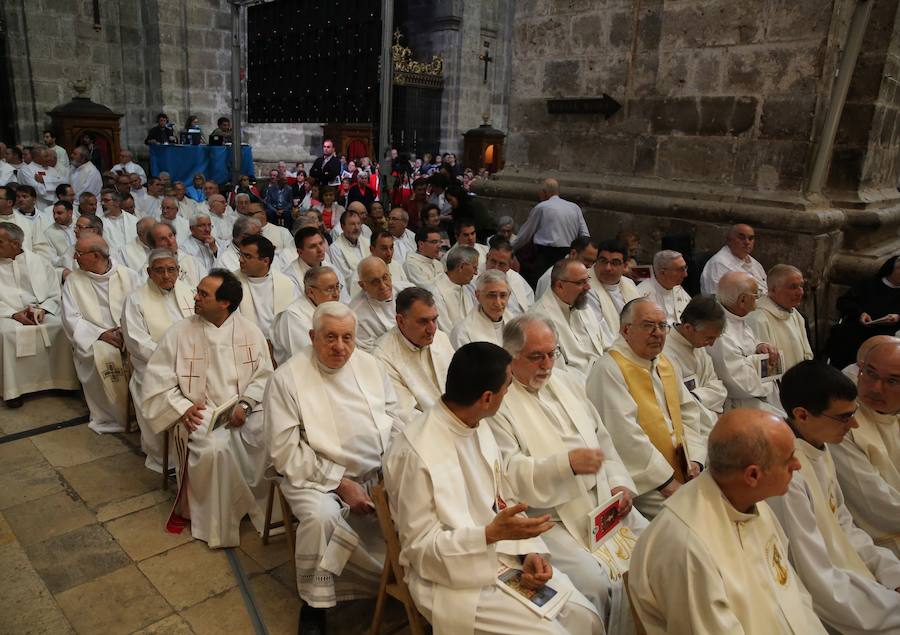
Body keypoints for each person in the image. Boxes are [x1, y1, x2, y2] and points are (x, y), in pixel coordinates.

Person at [384, 342, 601, 635]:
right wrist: (487, 535)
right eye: (507, 387)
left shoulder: (479, 425)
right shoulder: (415, 451)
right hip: (450, 579)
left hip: (503, 552)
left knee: (586, 618)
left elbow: (504, 500)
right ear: (487, 397)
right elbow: (420, 549)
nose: (509, 393)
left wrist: (529, 552)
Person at [489, 314, 647, 629]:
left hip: (604, 501)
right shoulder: (499, 402)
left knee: (656, 548)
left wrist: (618, 483)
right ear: (511, 357)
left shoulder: (567, 381)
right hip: (551, 518)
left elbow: (603, 438)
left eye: (552, 353)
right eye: (536, 356)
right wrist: (567, 465)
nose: (547, 364)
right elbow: (507, 472)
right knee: (598, 583)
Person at [264, 302, 401, 632]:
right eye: (330, 337)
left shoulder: (370, 365)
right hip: (314, 475)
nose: (340, 347)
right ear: (312, 336)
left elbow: (394, 418)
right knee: (321, 518)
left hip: (375, 470)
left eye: (348, 338)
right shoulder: (286, 379)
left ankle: (399, 578)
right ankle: (315, 605)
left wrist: (396, 466)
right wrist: (340, 483)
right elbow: (284, 450)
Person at [628, 409, 826, 634]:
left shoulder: (751, 500)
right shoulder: (687, 546)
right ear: (752, 476)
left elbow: (792, 595)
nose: (798, 465)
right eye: (788, 460)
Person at [141, 269, 274, 547]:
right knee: (216, 448)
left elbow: (264, 375)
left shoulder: (250, 331)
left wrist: (247, 404)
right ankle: (219, 519)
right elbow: (157, 380)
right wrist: (182, 408)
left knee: (268, 437)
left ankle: (253, 508)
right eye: (198, 291)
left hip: (243, 409)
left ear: (224, 303)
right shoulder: (179, 332)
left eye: (203, 294)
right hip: (199, 412)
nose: (195, 297)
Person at [768, 361, 900, 634]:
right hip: (829, 606)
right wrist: (889, 607)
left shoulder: (819, 446)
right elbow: (814, 578)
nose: (853, 424)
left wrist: (891, 573)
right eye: (843, 417)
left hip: (854, 583)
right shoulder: (786, 475)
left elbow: (844, 526)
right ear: (802, 415)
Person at [586, 298, 707, 517]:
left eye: (662, 326)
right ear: (625, 330)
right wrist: (666, 481)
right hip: (643, 479)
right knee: (692, 518)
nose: (658, 333)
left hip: (682, 466)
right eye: (648, 325)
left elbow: (688, 412)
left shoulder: (664, 362)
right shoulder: (610, 368)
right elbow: (624, 436)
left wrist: (695, 460)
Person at [121, 249, 194, 472]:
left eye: (171, 269)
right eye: (159, 270)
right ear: (149, 272)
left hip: (191, 363)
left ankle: (195, 453)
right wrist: (171, 359)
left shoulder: (189, 291)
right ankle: (165, 459)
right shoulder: (135, 300)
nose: (166, 276)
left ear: (178, 271)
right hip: (154, 368)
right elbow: (136, 341)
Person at [62, 235, 140, 433]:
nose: (75, 257)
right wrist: (101, 334)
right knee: (105, 356)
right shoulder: (74, 280)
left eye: (79, 254)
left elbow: (140, 307)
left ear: (95, 255)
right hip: (94, 338)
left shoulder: (128, 275)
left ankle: (139, 413)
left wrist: (126, 330)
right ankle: (113, 416)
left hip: (127, 332)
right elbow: (71, 318)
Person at [831, 339, 900, 557]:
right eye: (870, 373)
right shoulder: (843, 423)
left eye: (892, 381)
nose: (876, 388)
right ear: (859, 370)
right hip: (878, 545)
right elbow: (875, 506)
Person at [0, 222, 78, 408]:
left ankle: (62, 382)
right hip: (5, 314)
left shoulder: (39, 262)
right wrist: (13, 314)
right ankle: (13, 390)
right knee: (7, 334)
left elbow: (54, 293)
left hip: (39, 309)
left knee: (60, 328)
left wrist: (43, 308)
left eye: (0, 241)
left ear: (15, 244)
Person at [373, 286, 454, 421]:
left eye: (434, 319)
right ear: (401, 321)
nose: (432, 330)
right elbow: (406, 415)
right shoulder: (382, 357)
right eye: (423, 321)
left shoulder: (440, 337)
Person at [709, 271, 783, 413]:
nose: (759, 298)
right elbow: (741, 385)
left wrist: (760, 346)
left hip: (761, 395)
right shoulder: (721, 333)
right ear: (742, 301)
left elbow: (748, 344)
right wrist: (767, 371)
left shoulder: (737, 317)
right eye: (756, 295)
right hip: (742, 404)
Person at [529, 258, 606, 377]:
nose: (588, 287)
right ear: (560, 285)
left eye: (587, 281)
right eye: (580, 283)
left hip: (601, 374)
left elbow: (604, 345)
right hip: (576, 384)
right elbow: (556, 372)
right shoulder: (538, 320)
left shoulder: (584, 305)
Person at [663, 296, 729, 435]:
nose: (711, 344)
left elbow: (718, 388)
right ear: (688, 328)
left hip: (708, 420)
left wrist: (696, 397)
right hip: (686, 429)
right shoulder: (664, 353)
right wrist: (713, 417)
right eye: (709, 338)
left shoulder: (698, 345)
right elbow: (679, 404)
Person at [512, 178, 590, 287]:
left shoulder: (542, 207)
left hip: (545, 255)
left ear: (544, 192)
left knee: (541, 285)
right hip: (568, 254)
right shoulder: (574, 208)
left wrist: (510, 248)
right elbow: (585, 235)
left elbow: (525, 234)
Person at [826, 255, 900, 369]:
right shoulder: (869, 284)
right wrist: (860, 313)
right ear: (891, 268)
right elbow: (843, 302)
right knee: (843, 336)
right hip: (857, 327)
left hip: (885, 334)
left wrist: (897, 317)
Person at [747, 264, 813, 372]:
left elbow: (807, 354)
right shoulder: (758, 319)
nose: (800, 292)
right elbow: (765, 367)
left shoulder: (796, 314)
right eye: (793, 287)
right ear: (773, 289)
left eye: (801, 286)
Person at [270, 265, 341, 366]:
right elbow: (305, 357)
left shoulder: (332, 308)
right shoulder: (293, 316)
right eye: (329, 289)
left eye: (337, 287)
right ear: (310, 292)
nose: (336, 294)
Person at [234, 235, 297, 338]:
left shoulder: (285, 284)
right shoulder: (231, 282)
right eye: (240, 254)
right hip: (245, 342)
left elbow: (292, 321)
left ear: (265, 261)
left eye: (247, 256)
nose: (240, 260)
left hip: (278, 344)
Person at [349, 256, 412, 351]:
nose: (382, 286)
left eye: (385, 277)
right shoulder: (355, 314)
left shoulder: (409, 291)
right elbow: (368, 353)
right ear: (362, 285)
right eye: (375, 282)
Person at [585, 239, 639, 338]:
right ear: (596, 261)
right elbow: (599, 332)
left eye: (614, 263)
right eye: (603, 261)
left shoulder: (629, 284)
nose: (607, 268)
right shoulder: (585, 285)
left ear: (625, 266)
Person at [283, 226, 349, 303]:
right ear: (300, 252)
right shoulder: (289, 278)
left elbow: (345, 301)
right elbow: (297, 309)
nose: (320, 249)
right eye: (313, 246)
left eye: (321, 243)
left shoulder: (332, 269)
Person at [451, 269, 513, 349]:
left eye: (503, 295)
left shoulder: (514, 324)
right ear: (478, 296)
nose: (498, 302)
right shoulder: (463, 332)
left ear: (509, 295)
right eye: (491, 295)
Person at [700, 223, 768, 295]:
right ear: (729, 240)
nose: (747, 242)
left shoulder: (755, 263)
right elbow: (716, 299)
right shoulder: (718, 264)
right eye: (742, 238)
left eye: (750, 238)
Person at [429, 245, 478, 333]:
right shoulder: (436, 292)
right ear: (461, 267)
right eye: (474, 267)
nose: (476, 272)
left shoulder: (465, 287)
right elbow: (445, 329)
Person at [637, 250, 692, 325]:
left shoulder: (678, 289)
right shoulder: (641, 295)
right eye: (680, 269)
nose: (685, 274)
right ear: (663, 272)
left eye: (685, 268)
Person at [485, 238, 533, 316]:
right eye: (493, 261)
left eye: (501, 264)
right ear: (487, 258)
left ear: (510, 265)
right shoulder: (474, 280)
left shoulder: (517, 279)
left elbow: (530, 308)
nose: (496, 268)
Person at [146, 221, 201, 288]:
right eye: (163, 239)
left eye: (171, 236)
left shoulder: (191, 260)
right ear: (153, 245)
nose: (170, 242)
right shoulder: (150, 268)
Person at [328, 208, 370, 284]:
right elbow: (345, 277)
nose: (357, 228)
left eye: (358, 223)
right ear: (342, 226)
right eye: (352, 224)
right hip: (353, 290)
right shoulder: (335, 248)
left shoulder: (367, 242)